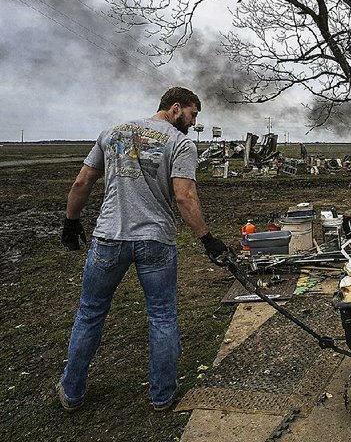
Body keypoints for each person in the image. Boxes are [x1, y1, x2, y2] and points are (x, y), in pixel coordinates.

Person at [57, 87, 229, 412]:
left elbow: (82, 183)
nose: (193, 123)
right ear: (176, 108)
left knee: (90, 313)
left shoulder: (112, 133)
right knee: (162, 316)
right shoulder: (180, 143)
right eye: (193, 115)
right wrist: (207, 239)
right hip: (156, 242)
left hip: (109, 237)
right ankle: (162, 396)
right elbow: (184, 197)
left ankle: (72, 391)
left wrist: (71, 222)